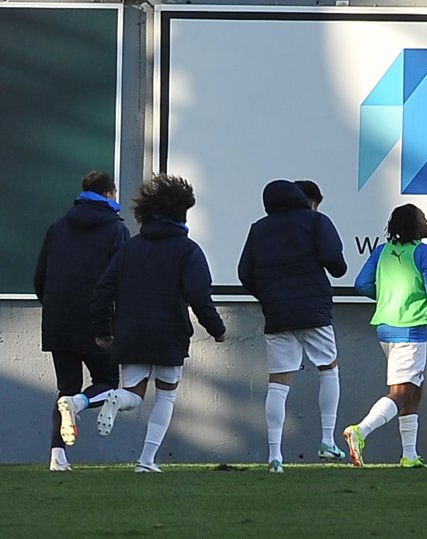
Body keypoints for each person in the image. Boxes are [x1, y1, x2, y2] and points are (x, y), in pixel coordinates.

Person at [91, 174, 226, 473]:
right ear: (181, 212)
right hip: (169, 334)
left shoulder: (130, 247)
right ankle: (146, 461)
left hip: (130, 332)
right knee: (166, 394)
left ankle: (116, 397)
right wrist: (217, 329)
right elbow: (199, 296)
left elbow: (103, 289)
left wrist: (103, 330)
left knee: (133, 395)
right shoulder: (188, 250)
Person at [238, 179, 349, 473]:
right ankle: (327, 440)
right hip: (313, 308)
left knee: (278, 381)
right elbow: (334, 263)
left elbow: (244, 272)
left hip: (277, 313)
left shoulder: (258, 228)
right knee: (329, 368)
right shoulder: (316, 221)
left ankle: (274, 455)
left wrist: (268, 293)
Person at [34, 171, 130, 471]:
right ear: (110, 194)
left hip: (58, 319)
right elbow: (122, 280)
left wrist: (53, 307)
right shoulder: (116, 231)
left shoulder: (57, 227)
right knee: (108, 382)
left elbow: (40, 276)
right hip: (97, 322)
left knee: (66, 388)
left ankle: (57, 457)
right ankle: (78, 405)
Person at [346, 204, 427, 468]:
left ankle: (409, 455)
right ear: (416, 225)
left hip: (385, 327)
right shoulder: (425, 253)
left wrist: (386, 298)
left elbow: (361, 284)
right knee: (402, 392)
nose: (426, 220)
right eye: (422, 217)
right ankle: (361, 430)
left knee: (414, 389)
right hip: (411, 328)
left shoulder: (381, 251)